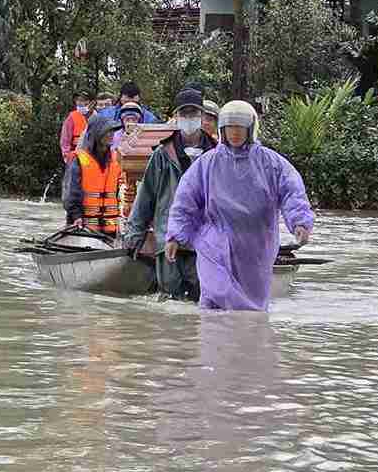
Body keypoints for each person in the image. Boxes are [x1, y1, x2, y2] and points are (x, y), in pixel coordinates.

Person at [164, 100, 315, 311]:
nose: (234, 133)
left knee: (252, 309)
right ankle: (212, 342)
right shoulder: (206, 164)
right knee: (214, 297)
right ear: (222, 130)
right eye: (230, 128)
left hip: (255, 245)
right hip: (214, 241)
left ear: (251, 129)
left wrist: (300, 222)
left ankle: (249, 341)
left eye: (240, 128)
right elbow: (185, 201)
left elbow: (293, 193)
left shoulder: (272, 163)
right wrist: (175, 236)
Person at [122, 88, 216, 301]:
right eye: (184, 114)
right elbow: (146, 196)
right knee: (170, 298)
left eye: (194, 113)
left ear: (203, 117)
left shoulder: (217, 154)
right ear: (175, 117)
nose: (189, 119)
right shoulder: (162, 155)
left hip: (204, 241)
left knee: (201, 298)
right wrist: (134, 237)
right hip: (167, 238)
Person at [62, 113, 124, 239]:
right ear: (97, 134)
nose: (112, 134)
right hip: (83, 226)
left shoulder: (116, 158)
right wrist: (76, 216)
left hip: (111, 228)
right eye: (108, 131)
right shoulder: (79, 159)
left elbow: (122, 190)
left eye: (113, 131)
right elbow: (71, 192)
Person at [59, 91, 92, 167]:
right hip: (77, 155)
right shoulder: (72, 117)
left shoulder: (96, 115)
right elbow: (65, 139)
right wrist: (67, 157)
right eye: (78, 100)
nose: (81, 103)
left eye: (84, 100)